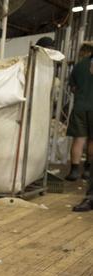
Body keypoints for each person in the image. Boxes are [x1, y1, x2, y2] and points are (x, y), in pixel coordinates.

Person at [66, 43, 93, 181]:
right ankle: (88, 170)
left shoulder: (78, 66)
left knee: (79, 139)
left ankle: (74, 171)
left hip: (80, 106)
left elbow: (73, 88)